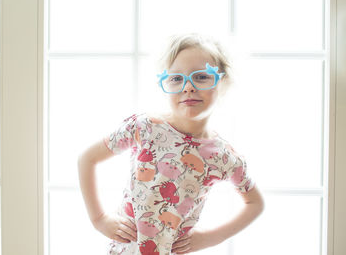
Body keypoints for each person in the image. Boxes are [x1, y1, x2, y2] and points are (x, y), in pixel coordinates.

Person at [78, 32, 265, 255]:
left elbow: (255, 203)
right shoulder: (143, 127)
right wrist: (99, 219)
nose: (188, 87)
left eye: (201, 77)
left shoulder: (223, 156)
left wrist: (210, 238)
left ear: (222, 82)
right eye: (177, 79)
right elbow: (87, 159)